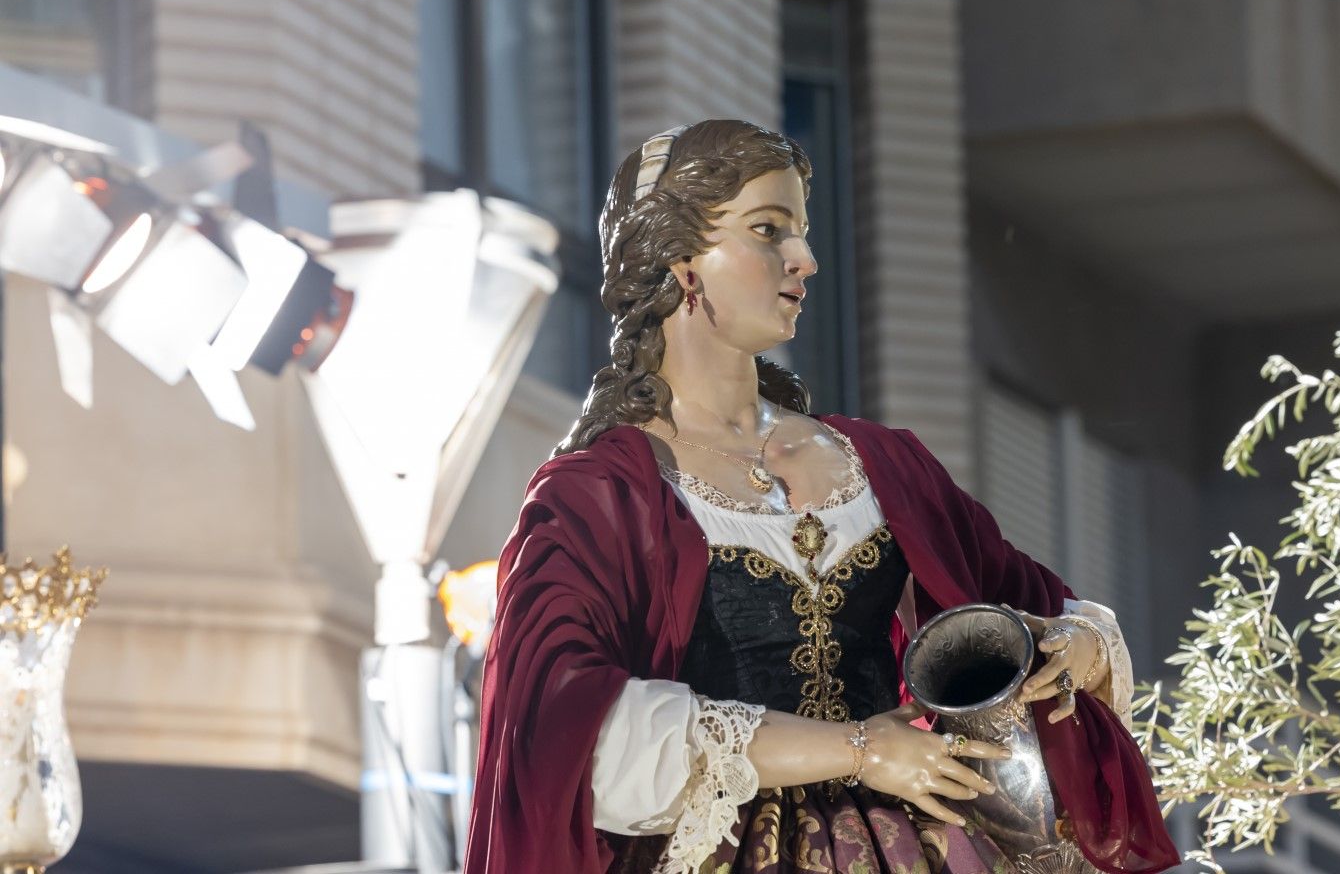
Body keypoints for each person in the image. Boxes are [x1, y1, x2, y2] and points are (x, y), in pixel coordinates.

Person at [464, 120, 1180, 873]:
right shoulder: (597, 498)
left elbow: (1032, 602)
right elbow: (571, 726)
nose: (804, 260)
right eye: (769, 231)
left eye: (800, 233)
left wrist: (1079, 645)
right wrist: (861, 751)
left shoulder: (879, 463)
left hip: (924, 841)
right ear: (682, 262)